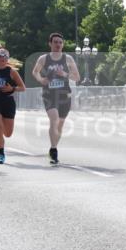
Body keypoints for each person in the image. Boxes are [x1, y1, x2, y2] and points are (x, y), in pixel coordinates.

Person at [31, 32, 80, 165]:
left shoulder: (68, 58)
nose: (58, 44)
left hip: (64, 95)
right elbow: (35, 71)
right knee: (54, 119)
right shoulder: (44, 58)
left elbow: (77, 77)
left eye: (60, 42)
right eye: (55, 42)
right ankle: (54, 150)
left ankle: (53, 147)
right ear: (50, 44)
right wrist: (41, 79)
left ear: (62, 44)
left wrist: (65, 74)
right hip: (49, 95)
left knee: (60, 124)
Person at [0, 47, 26, 164]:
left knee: (7, 133)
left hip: (8, 102)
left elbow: (23, 88)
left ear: (7, 59)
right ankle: (1, 154)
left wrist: (11, 88)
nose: (1, 58)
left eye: (4, 57)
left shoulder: (11, 71)